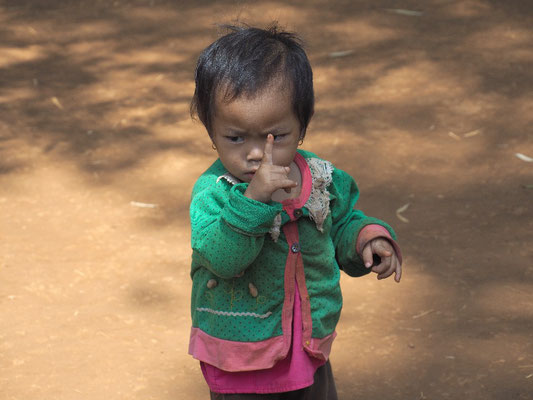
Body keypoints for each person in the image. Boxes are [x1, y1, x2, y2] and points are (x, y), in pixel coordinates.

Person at [188, 24, 402, 400]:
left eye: (277, 136)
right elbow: (222, 259)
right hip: (240, 358)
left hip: (305, 346)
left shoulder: (319, 177)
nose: (256, 154)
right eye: (235, 137)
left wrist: (368, 238)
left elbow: (342, 222)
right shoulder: (214, 193)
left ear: (301, 126)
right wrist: (253, 201)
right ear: (210, 130)